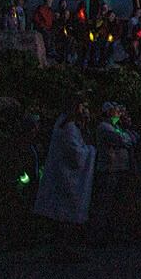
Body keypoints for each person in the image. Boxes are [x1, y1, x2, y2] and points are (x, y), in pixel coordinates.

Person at [33, 92, 97, 262]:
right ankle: (62, 249)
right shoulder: (68, 127)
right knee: (66, 215)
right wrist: (90, 150)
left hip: (62, 175)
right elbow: (75, 154)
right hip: (67, 178)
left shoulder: (63, 124)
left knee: (62, 215)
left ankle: (61, 248)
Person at [89, 102, 138, 246]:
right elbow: (124, 139)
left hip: (118, 170)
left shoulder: (114, 127)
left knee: (115, 204)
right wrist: (125, 138)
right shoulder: (104, 128)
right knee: (105, 203)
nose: (118, 113)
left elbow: (130, 138)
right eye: (115, 111)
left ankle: (112, 233)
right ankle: (98, 235)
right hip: (108, 170)